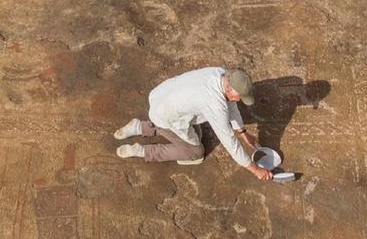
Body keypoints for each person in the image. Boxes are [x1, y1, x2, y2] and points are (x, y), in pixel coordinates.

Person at [113, 67, 272, 181]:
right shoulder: (214, 104)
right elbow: (229, 141)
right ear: (230, 89)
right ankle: (143, 151)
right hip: (165, 116)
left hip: (160, 96)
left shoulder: (222, 74)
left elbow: (231, 104)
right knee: (195, 152)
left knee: (197, 132)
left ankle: (139, 126)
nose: (240, 101)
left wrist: (243, 132)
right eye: (240, 97)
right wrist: (255, 169)